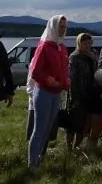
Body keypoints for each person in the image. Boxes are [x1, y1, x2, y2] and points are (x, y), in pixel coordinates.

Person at [26, 15, 69, 169]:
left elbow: (64, 70)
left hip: (56, 93)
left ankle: (39, 159)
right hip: (43, 92)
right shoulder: (44, 46)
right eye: (60, 26)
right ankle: (32, 163)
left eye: (64, 27)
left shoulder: (62, 47)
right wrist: (48, 80)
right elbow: (35, 72)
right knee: (39, 128)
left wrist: (65, 83)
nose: (63, 30)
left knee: (49, 127)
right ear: (53, 27)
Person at [67, 33, 102, 149]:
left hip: (90, 93)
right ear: (79, 43)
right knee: (73, 124)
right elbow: (72, 78)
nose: (87, 45)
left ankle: (77, 146)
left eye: (89, 43)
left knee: (84, 124)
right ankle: (69, 148)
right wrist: (75, 97)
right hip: (77, 94)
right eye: (84, 43)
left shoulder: (93, 56)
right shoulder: (74, 57)